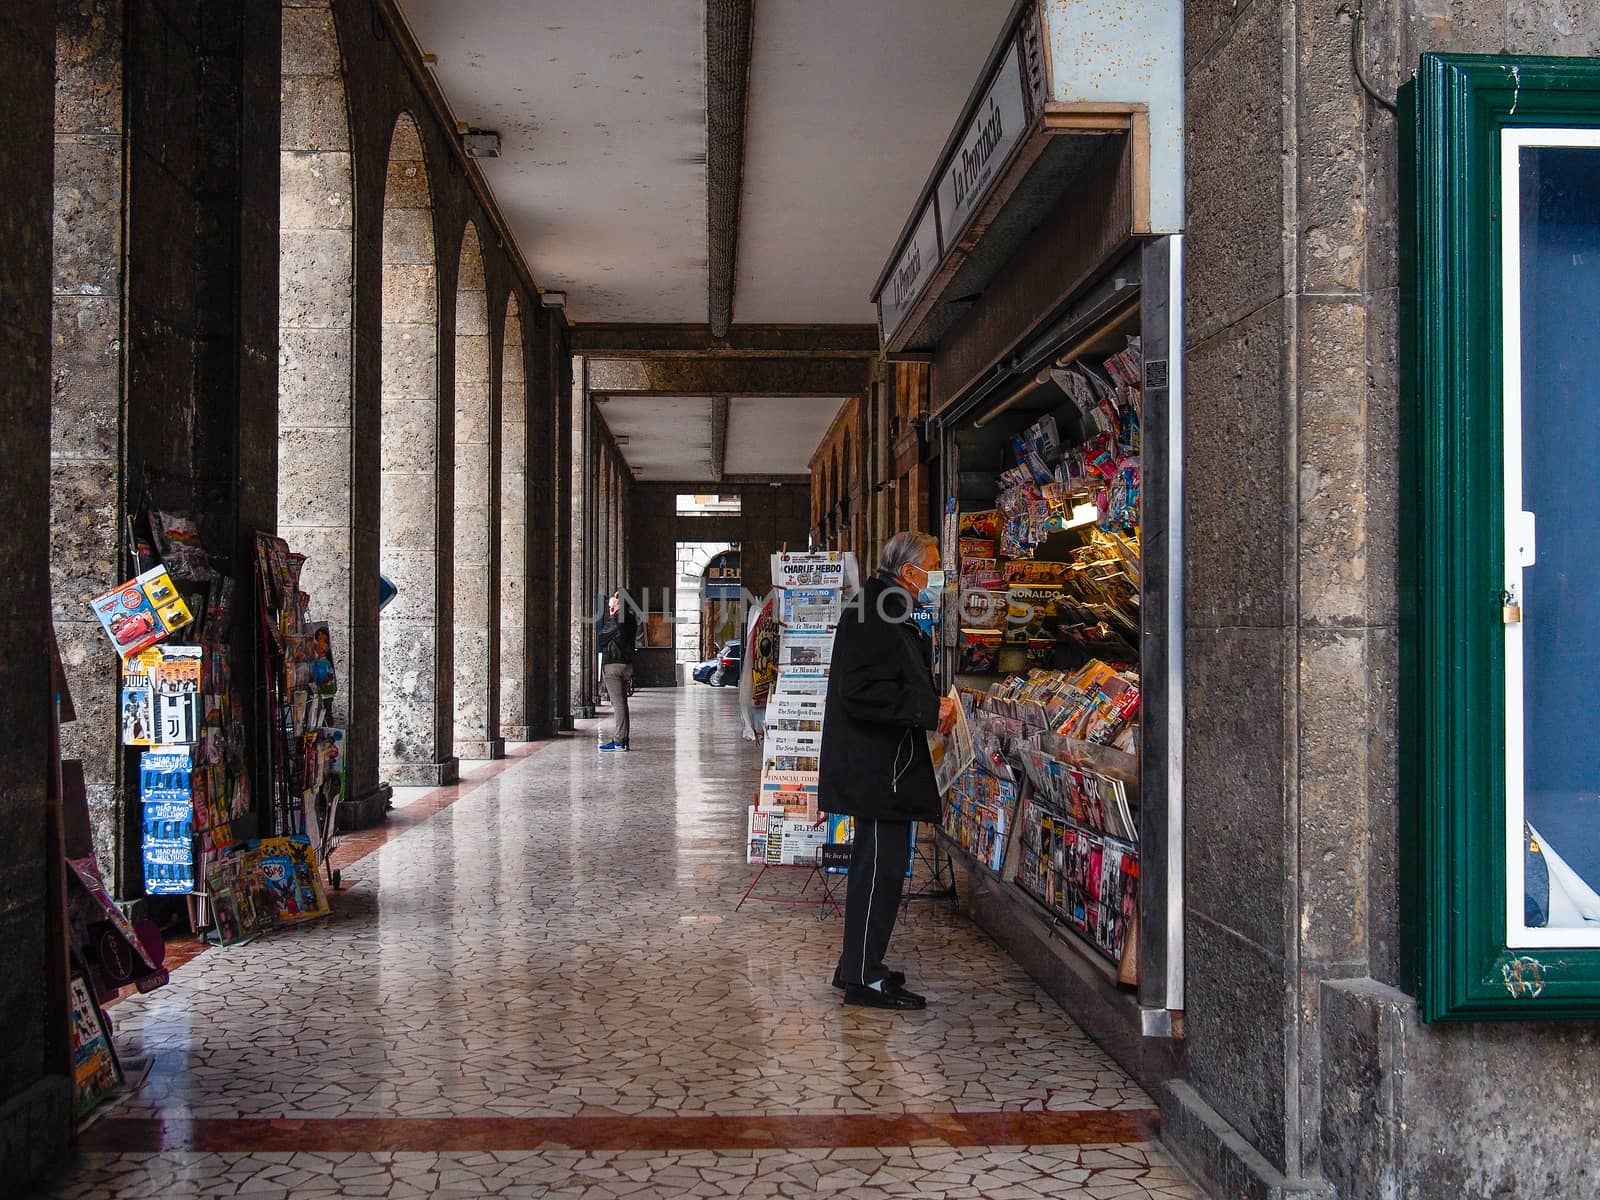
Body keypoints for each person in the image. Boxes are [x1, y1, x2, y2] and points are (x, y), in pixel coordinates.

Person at [819, 531, 958, 1010]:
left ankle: (859, 965)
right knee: (878, 872)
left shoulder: (885, 606)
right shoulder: (873, 611)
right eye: (932, 567)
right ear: (908, 570)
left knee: (880, 871)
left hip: (885, 769)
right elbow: (858, 691)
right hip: (877, 773)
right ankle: (862, 977)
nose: (936, 577)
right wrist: (926, 709)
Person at [597, 587, 638, 751]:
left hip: (614, 665)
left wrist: (612, 614)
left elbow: (601, 638)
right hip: (627, 664)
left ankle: (620, 740)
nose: (611, 601)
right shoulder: (631, 619)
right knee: (623, 703)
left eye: (615, 598)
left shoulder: (617, 619)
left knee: (618, 704)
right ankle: (623, 739)